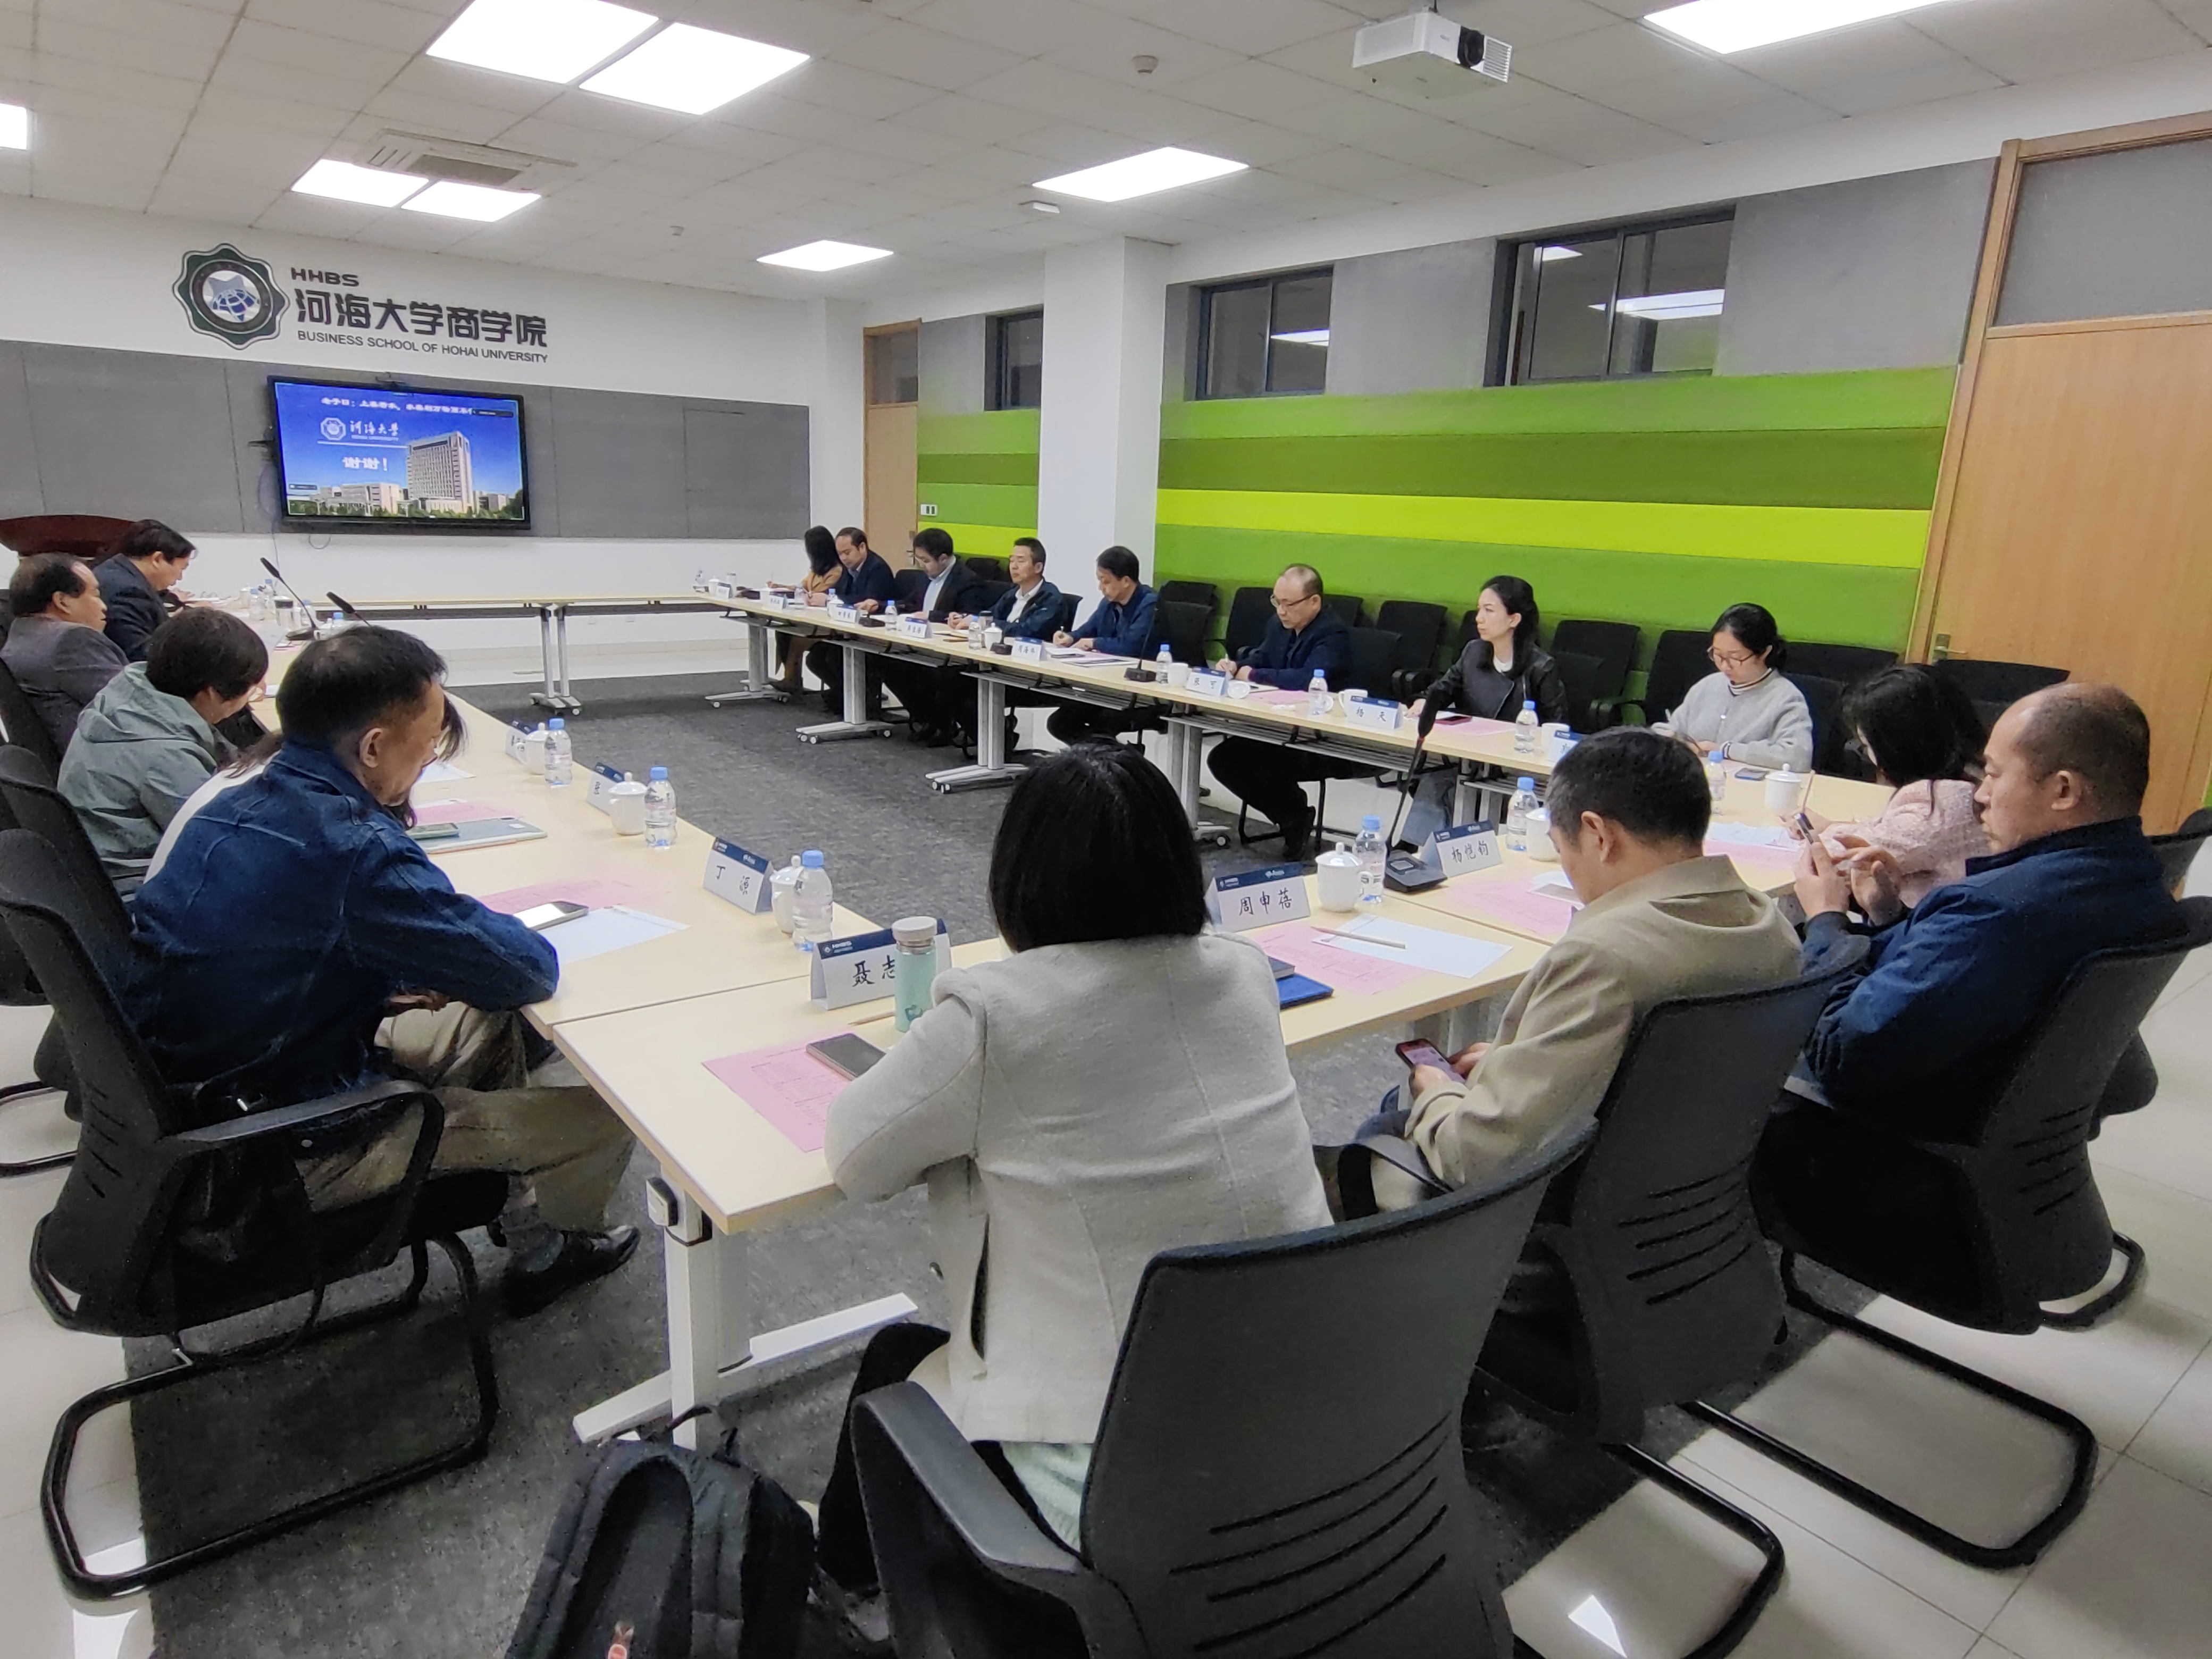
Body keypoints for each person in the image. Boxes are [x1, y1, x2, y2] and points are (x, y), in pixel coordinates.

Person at [810, 744, 1331, 1646]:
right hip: (1306, 1419)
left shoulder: (994, 1014)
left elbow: (856, 1159)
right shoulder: (1244, 972)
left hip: (1125, 1480)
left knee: (895, 1363)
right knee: (909, 1350)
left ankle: (844, 1593)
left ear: (1019, 883)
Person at [121, 626, 640, 1316]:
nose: (426, 764)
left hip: (204, 1103)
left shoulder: (239, 797)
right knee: (609, 1113)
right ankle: (553, 1253)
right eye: (426, 749)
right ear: (372, 747)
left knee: (485, 1020)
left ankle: (524, 1224)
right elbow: (524, 970)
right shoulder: (353, 848)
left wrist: (383, 972)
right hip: (280, 1153)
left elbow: (270, 945)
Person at [1364, 728, 1800, 1202]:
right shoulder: (1771, 927)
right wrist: (1524, 1056)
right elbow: (1668, 1066)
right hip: (1689, 1185)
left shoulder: (1599, 958)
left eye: (1561, 847)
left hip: (1569, 1199)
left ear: (1598, 835)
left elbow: (1476, 1156)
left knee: (1390, 1122)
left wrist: (1435, 1090)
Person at [1783, 683, 2184, 1136]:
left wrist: (1826, 919)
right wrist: (1889, 914)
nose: (1980, 795)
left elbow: (1842, 1056)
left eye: (1993, 774)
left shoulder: (1997, 911)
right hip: (2003, 1125)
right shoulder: (2138, 876)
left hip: (1889, 1136)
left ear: (2063, 791)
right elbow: (1959, 977)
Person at [58, 608, 266, 896]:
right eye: (250, 692)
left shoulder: (131, 694)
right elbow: (230, 845)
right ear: (211, 694)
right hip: (140, 893)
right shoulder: (164, 754)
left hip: (104, 873)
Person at [1794, 664, 1989, 909]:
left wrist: (1821, 835)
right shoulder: (1976, 777)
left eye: (1868, 746)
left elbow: (1834, 860)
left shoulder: (1938, 803)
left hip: (1919, 923)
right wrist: (1834, 826)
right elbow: (1893, 833)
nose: (1870, 758)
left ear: (1898, 748)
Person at [1204, 564, 1358, 858]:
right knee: (1224, 759)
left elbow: (1308, 680)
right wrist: (1236, 666)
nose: (1281, 611)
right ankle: (1293, 815)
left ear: (1314, 602)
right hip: (1280, 725)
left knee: (1263, 764)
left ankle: (1294, 818)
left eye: (1289, 604)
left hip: (1321, 737)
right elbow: (1262, 657)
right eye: (1277, 602)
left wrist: (1253, 675)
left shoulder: (1333, 634)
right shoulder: (1279, 625)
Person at [1403, 575, 1569, 844]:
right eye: (1479, 609)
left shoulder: (1541, 667)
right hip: (1471, 760)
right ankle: (1417, 854)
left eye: (1489, 611)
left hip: (1516, 770)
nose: (1479, 618)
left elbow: (1557, 728)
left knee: (1449, 789)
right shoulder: (1473, 652)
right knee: (1434, 784)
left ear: (1514, 619)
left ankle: (1452, 853)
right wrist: (1425, 701)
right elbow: (1444, 688)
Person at [1655, 602, 1813, 773]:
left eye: (1735, 658)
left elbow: (1797, 758)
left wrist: (1726, 750)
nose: (1724, 666)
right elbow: (1674, 728)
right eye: (1717, 654)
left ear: (1764, 652)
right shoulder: (1707, 685)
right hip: (1695, 779)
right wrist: (1673, 741)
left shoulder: (1785, 697)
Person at [1, 554, 128, 756]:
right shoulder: (72, 640)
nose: (103, 606)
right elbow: (134, 705)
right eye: (95, 595)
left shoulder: (19, 637)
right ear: (62, 601)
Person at [878, 527, 992, 745]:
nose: (922, 565)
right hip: (922, 645)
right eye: (919, 559)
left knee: (938, 678)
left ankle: (946, 724)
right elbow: (911, 604)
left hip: (952, 654)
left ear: (943, 559)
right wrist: (882, 605)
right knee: (891, 668)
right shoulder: (925, 577)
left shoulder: (968, 581)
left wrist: (933, 616)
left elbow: (968, 617)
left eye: (926, 560)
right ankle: (929, 719)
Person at [1044, 546, 1162, 745]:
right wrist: (1070, 638)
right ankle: (1098, 757)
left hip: (1141, 692)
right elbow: (1089, 628)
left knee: (1104, 723)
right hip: (1109, 686)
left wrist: (1094, 643)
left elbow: (1130, 647)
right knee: (1060, 722)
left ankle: (1110, 759)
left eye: (1105, 581)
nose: (1101, 587)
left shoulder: (1150, 604)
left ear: (1126, 581)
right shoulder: (1109, 602)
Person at [804, 527, 898, 718]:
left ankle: (860, 701)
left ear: (862, 547)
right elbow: (839, 593)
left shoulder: (877, 569)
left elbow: (867, 602)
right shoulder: (849, 569)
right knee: (816, 657)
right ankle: (846, 696)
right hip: (852, 631)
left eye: (847, 552)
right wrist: (824, 598)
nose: (844, 558)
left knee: (832, 657)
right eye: (840, 554)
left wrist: (829, 600)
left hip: (875, 637)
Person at [96, 520, 196, 661]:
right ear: (158, 559)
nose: (180, 577)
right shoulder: (128, 593)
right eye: (182, 569)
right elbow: (141, 653)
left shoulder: (116, 570)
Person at [767, 524, 841, 694]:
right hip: (811, 619)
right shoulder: (816, 571)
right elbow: (802, 587)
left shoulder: (836, 571)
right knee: (783, 631)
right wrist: (781, 587)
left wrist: (803, 593)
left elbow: (816, 595)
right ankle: (792, 677)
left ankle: (792, 680)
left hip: (826, 625)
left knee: (798, 638)